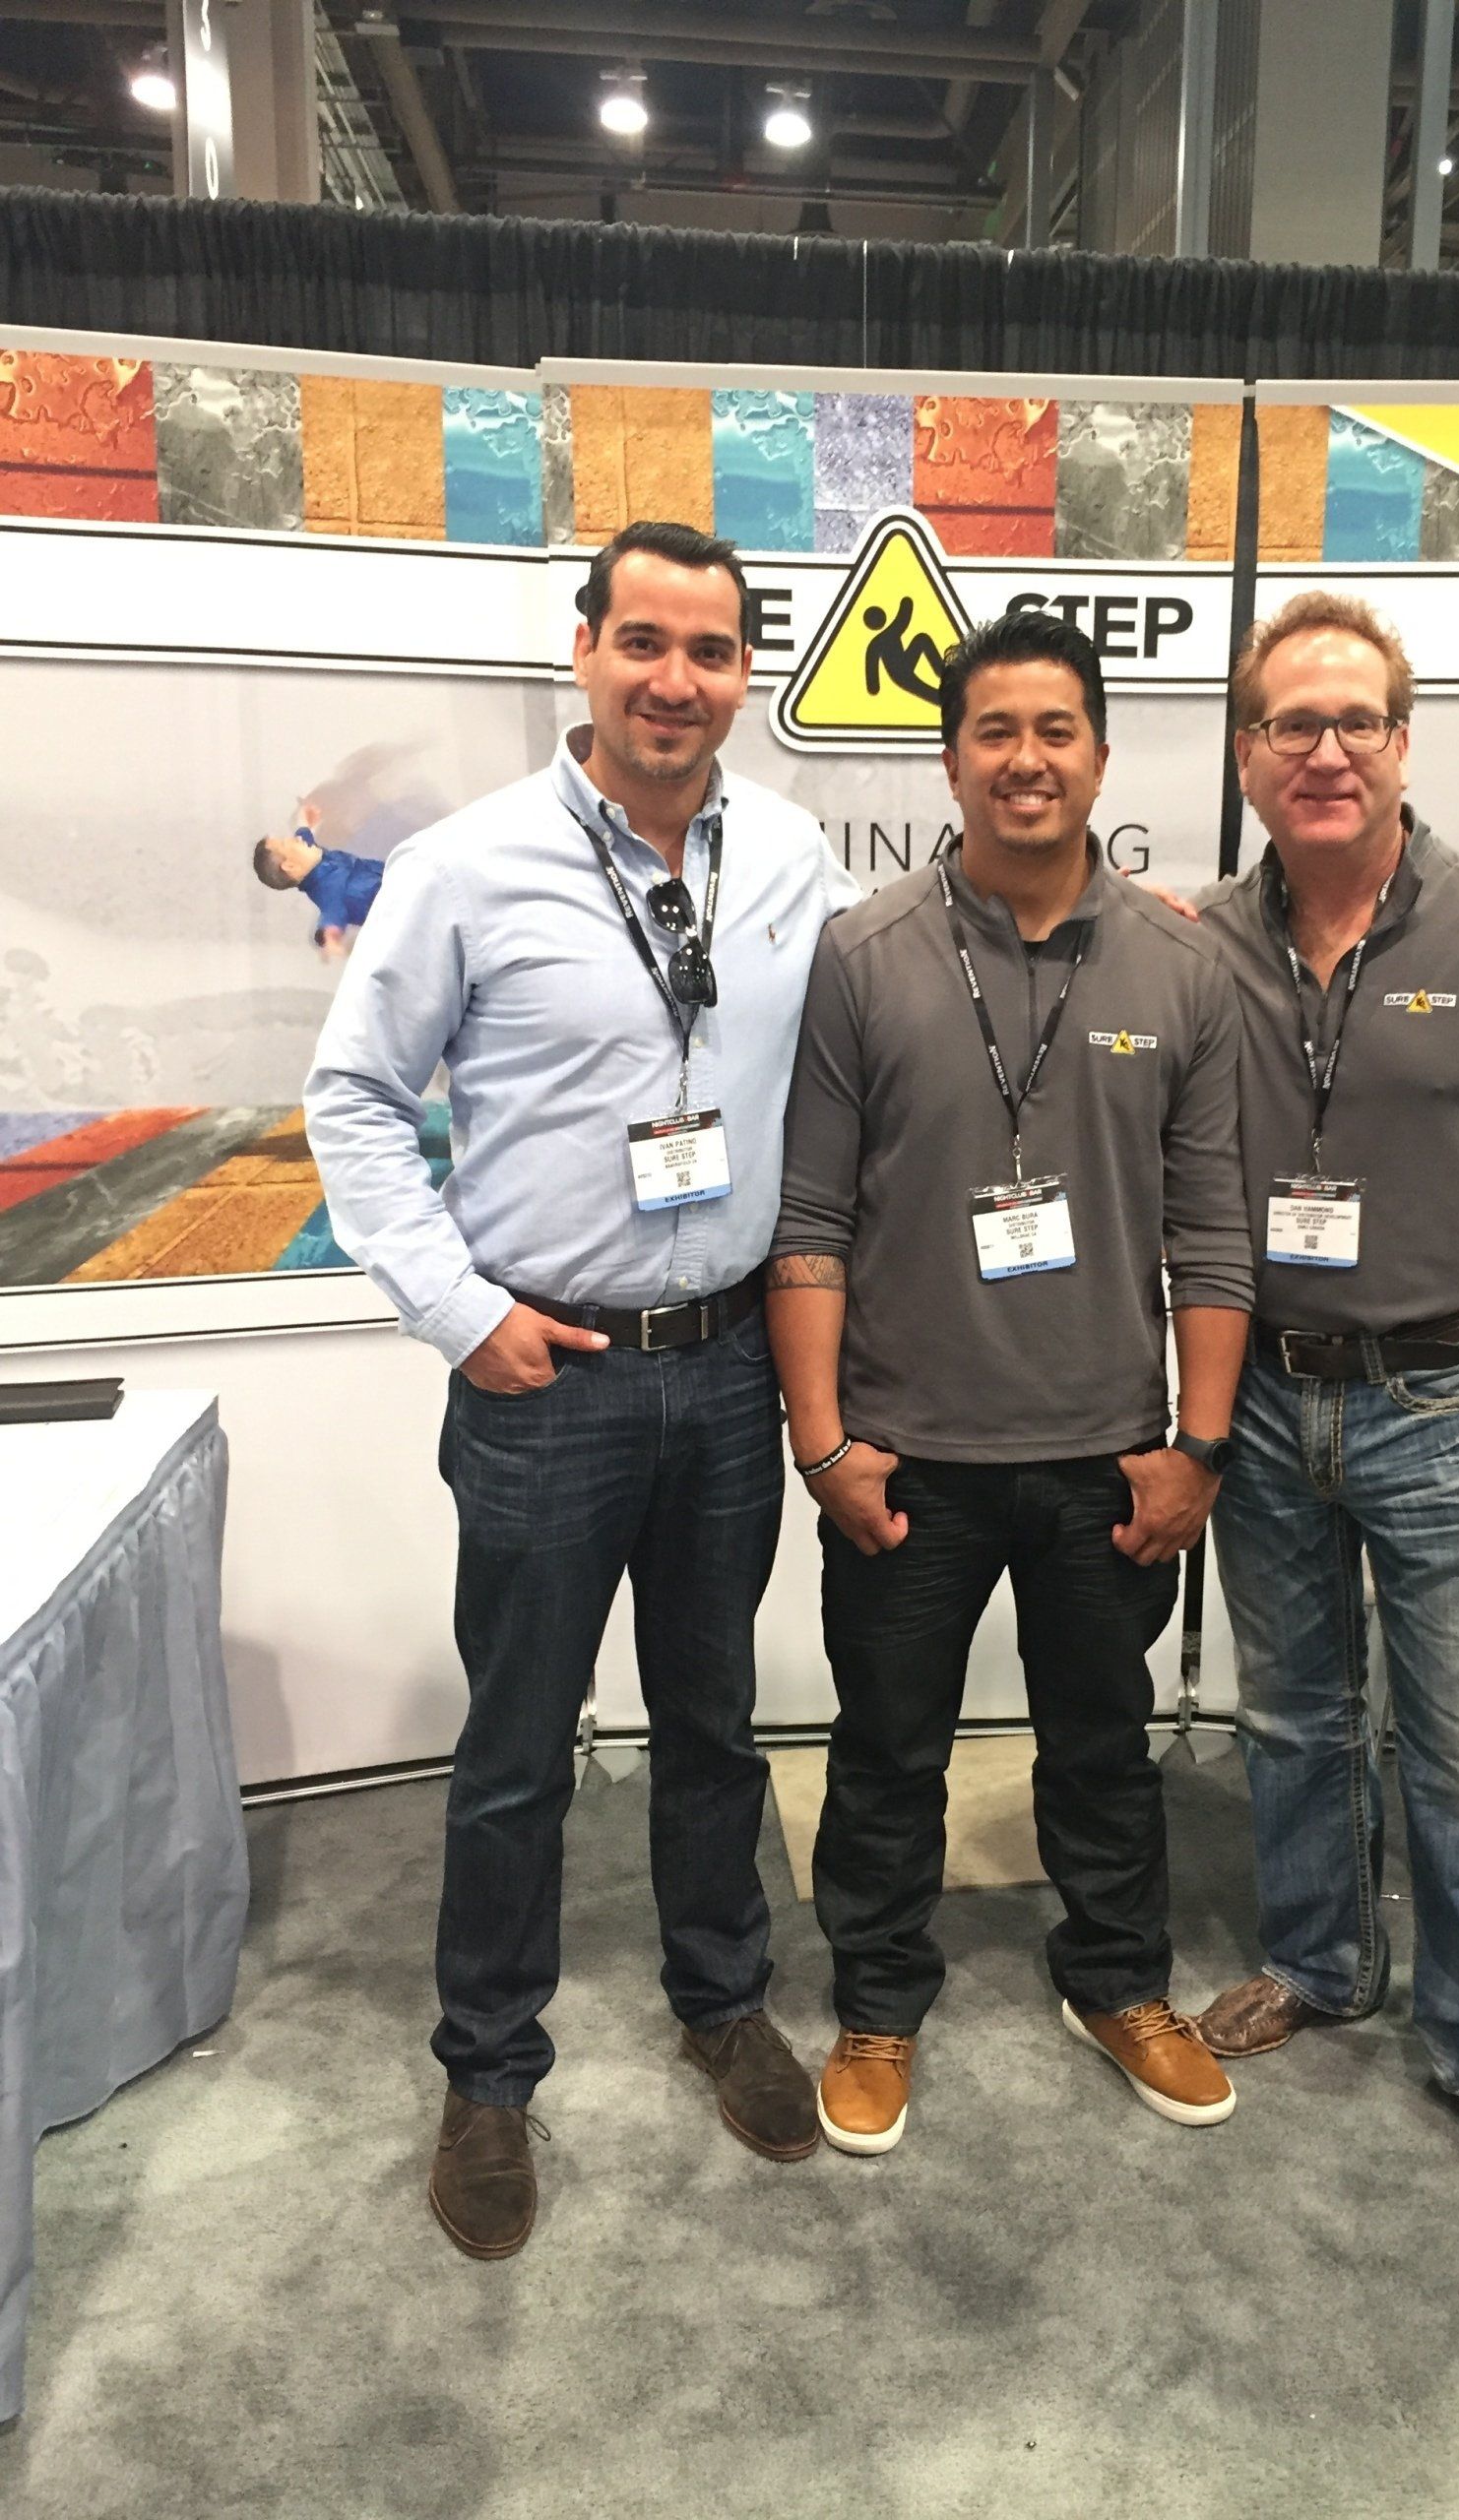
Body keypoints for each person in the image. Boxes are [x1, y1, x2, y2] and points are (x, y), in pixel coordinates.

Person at [303, 520, 859, 2260]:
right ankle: (487, 2071)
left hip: (730, 1372)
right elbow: (354, 1099)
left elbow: (906, 1000)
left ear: (745, 673)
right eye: (644, 642)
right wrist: (458, 1310)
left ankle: (722, 2002)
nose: (675, 680)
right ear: (586, 652)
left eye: (710, 650)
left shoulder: (791, 854)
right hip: (546, 1374)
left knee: (713, 1721)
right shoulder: (467, 866)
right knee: (516, 1746)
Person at [765, 609, 1254, 2156]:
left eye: (1056, 730)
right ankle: (878, 2001)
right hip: (904, 1456)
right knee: (886, 1751)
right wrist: (822, 1444)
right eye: (996, 731)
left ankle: (1117, 1981)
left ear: (1100, 757)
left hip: (1109, 1457)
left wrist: (1199, 1448)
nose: (1026, 760)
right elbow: (809, 1220)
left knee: (1103, 1746)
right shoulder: (863, 956)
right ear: (951, 758)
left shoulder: (1183, 965)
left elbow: (1215, 1231)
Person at [1181, 590, 1459, 2208]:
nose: (1325, 753)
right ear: (1247, 756)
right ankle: (1318, 1962)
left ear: (1400, 743)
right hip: (1261, 1394)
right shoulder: (1200, 940)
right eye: (1290, 726)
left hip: (1444, 1394)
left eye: (1354, 722)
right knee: (1292, 1714)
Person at [253, 802, 385, 956]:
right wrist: (330, 938)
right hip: (395, 902)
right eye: (286, 843)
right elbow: (331, 917)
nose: (297, 839)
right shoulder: (329, 892)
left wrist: (306, 823)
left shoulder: (310, 855)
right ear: (290, 865)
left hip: (391, 872)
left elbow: (304, 836)